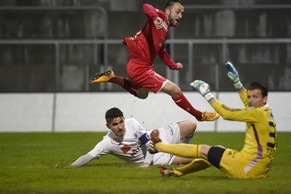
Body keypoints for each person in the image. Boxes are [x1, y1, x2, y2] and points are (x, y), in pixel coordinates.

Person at [89, 0, 219, 122]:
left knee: (142, 94)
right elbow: (146, 6)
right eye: (177, 11)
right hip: (140, 68)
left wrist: (173, 65)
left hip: (135, 65)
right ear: (168, 11)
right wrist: (153, 16)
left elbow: (161, 51)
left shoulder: (165, 31)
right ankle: (199, 115)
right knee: (175, 90)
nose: (180, 16)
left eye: (182, 13)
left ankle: (111, 77)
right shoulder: (161, 17)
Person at [149, 61, 277, 179]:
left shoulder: (256, 114)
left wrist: (207, 95)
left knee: (203, 149)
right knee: (214, 150)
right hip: (256, 170)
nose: (250, 100)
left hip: (244, 168)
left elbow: (227, 114)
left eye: (255, 97)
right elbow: (249, 103)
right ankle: (177, 172)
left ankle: (159, 146)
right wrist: (238, 84)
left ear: (264, 99)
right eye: (249, 96)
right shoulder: (266, 112)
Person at [68, 107, 197, 168]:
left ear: (124, 119)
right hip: (158, 157)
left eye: (121, 122)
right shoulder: (107, 143)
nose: (120, 127)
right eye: (115, 124)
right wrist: (71, 166)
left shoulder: (132, 123)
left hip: (158, 136)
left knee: (192, 124)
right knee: (198, 157)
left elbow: (149, 143)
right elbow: (88, 156)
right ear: (108, 126)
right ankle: (181, 153)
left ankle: (180, 146)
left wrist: (146, 163)